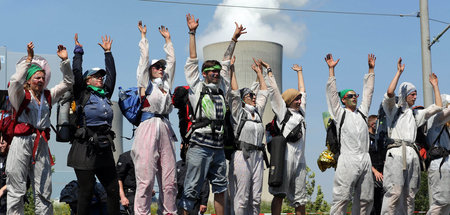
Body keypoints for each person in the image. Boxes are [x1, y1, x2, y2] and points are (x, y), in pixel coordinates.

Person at [179, 13, 245, 215]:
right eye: (211, 71)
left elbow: (226, 61)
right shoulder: (197, 86)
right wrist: (192, 33)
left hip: (217, 147)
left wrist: (234, 39)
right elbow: (192, 59)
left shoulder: (222, 87)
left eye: (217, 70)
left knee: (220, 187)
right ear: (204, 73)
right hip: (199, 145)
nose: (216, 73)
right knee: (191, 189)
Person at [7, 42, 73, 214]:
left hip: (41, 142)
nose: (41, 80)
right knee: (16, 189)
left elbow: (68, 82)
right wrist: (28, 59)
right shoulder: (20, 95)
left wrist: (65, 62)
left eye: (43, 77)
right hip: (21, 141)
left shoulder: (49, 96)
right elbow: (14, 81)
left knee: (44, 189)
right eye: (37, 77)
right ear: (28, 80)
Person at [381, 57, 443, 214]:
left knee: (409, 195)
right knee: (394, 193)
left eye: (416, 94)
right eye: (412, 94)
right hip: (396, 153)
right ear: (404, 94)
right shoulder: (393, 110)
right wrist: (398, 73)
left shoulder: (416, 114)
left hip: (412, 156)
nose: (415, 97)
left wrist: (435, 86)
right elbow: (389, 92)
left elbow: (438, 107)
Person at [66, 34, 120, 214]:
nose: (101, 79)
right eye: (96, 76)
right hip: (84, 148)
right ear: (88, 80)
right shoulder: (82, 93)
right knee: (86, 192)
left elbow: (112, 74)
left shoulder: (105, 94)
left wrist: (108, 52)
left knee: (112, 190)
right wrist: (78, 52)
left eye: (101, 77)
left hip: (103, 146)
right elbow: (76, 73)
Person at [131, 20, 177, 215]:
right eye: (157, 66)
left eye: (161, 66)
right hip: (148, 125)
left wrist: (168, 41)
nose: (160, 68)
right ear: (150, 70)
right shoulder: (145, 83)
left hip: (165, 126)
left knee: (170, 180)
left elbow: (172, 62)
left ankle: (169, 212)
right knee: (146, 179)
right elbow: (144, 60)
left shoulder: (165, 85)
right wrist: (144, 38)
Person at [325, 53, 376, 214]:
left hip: (365, 159)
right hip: (348, 159)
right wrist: (331, 71)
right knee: (342, 198)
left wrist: (371, 70)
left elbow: (368, 93)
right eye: (350, 96)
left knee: (366, 199)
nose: (354, 98)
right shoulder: (340, 114)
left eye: (355, 95)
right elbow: (332, 95)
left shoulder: (362, 113)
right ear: (344, 100)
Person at [228, 57, 268, 215]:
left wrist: (260, 73)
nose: (253, 97)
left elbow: (264, 93)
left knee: (256, 198)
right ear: (243, 99)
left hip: (258, 156)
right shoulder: (239, 112)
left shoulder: (257, 113)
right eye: (249, 95)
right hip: (242, 155)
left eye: (253, 95)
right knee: (242, 197)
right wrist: (232, 69)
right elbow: (235, 93)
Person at [266, 61, 307, 215]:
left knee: (300, 199)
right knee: (279, 195)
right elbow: (274, 91)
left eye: (299, 98)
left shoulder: (301, 113)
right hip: (285, 159)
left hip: (300, 161)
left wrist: (299, 72)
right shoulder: (283, 113)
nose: (299, 100)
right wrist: (269, 70)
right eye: (296, 99)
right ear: (290, 100)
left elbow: (303, 90)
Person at [426, 94, 450, 215]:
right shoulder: (436, 119)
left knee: (447, 203)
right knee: (442, 201)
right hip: (439, 166)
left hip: (446, 165)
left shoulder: (445, 126)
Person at [176, 144, 209, 215]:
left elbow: (204, 184)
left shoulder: (199, 166)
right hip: (178, 200)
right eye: (181, 149)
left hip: (194, 202)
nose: (182, 151)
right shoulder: (177, 165)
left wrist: (203, 202)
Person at [367, 115, 384, 215]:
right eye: (379, 124)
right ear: (373, 125)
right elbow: (364, 159)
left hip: (381, 174)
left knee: (381, 204)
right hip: (370, 174)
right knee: (371, 205)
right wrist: (374, 171)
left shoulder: (380, 139)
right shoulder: (365, 138)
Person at [116, 150, 136, 215]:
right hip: (129, 193)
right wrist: (122, 197)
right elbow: (118, 177)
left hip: (141, 192)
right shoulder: (126, 156)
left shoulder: (145, 157)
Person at [0, 129, 10, 214]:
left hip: (8, 201)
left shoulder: (12, 159)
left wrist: (2, 190)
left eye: (2, 143)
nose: (0, 145)